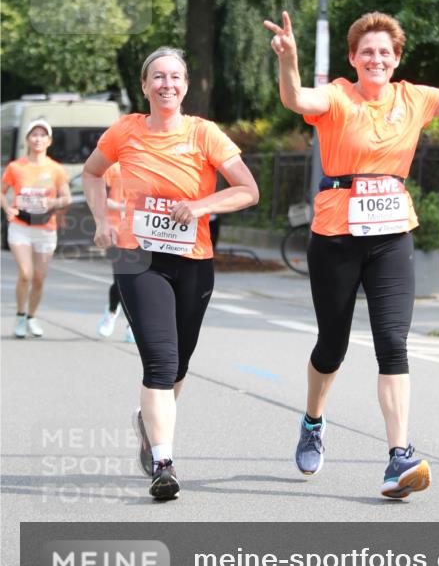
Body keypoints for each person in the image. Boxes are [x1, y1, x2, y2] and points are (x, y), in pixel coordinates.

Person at [263, 10, 439, 499]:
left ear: (397, 60)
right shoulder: (336, 95)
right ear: (353, 58)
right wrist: (288, 59)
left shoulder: (415, 98)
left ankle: (399, 456)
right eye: (367, 51)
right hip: (336, 232)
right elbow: (294, 98)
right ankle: (313, 419)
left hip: (392, 232)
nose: (377, 58)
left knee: (392, 342)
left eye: (386, 52)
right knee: (331, 346)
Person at [82, 47, 259, 502]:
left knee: (179, 363)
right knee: (159, 363)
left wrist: (200, 206)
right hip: (137, 259)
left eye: (175, 77)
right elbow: (91, 173)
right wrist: (102, 220)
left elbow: (247, 190)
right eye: (157, 77)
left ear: (185, 85)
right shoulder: (125, 131)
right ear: (144, 87)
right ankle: (163, 462)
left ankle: (149, 424)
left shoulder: (205, 134)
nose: (166, 84)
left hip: (193, 261)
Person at [1, 119, 71, 339]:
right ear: (27, 140)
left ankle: (32, 317)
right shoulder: (16, 167)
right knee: (25, 273)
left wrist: (52, 204)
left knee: (39, 277)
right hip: (20, 226)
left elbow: (66, 198)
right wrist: (6, 209)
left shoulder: (56, 169)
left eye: (43, 135)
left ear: (49, 141)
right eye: (34, 135)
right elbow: (2, 192)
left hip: (45, 227)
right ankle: (20, 316)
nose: (38, 139)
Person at [96, 162, 135, 343]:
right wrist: (123, 208)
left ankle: (133, 325)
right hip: (116, 229)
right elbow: (101, 198)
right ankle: (111, 311)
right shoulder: (112, 167)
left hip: (141, 232)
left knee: (140, 281)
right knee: (121, 277)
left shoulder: (151, 163)